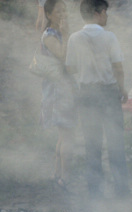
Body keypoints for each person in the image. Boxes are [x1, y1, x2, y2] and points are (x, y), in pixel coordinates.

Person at [65, 0, 129, 196]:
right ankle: (121, 191)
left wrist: (86, 69)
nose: (107, 16)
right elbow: (118, 67)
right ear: (97, 13)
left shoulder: (74, 38)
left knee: (92, 145)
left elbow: (70, 68)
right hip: (108, 94)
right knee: (115, 143)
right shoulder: (109, 37)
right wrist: (122, 89)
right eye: (105, 12)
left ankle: (95, 192)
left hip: (86, 95)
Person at [40, 0, 76, 191]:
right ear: (49, 13)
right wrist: (67, 33)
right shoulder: (49, 35)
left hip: (62, 89)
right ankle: (66, 178)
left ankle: (56, 173)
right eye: (59, 11)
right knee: (68, 133)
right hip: (58, 92)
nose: (63, 14)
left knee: (63, 134)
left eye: (65, 10)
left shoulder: (56, 33)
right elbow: (64, 56)